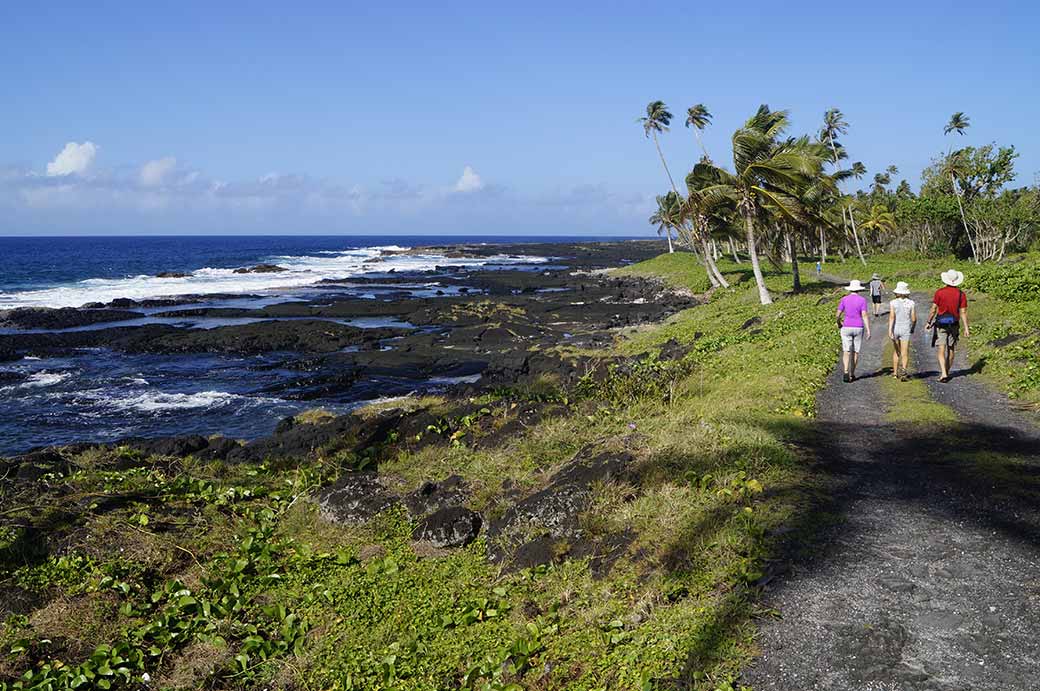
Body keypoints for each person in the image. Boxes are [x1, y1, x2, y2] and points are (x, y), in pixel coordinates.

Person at [926, 269, 969, 383]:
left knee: (941, 348)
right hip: (954, 324)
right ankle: (947, 371)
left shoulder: (939, 292)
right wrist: (966, 328)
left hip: (941, 324)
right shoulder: (961, 294)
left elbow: (933, 309)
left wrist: (929, 322)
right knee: (951, 349)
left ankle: (944, 373)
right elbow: (963, 312)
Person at [837, 279, 871, 383]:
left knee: (846, 351)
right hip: (858, 327)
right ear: (859, 290)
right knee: (856, 351)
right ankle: (852, 374)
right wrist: (868, 329)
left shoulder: (844, 299)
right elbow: (864, 315)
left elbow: (838, 314)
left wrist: (839, 322)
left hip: (846, 326)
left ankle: (846, 371)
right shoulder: (862, 300)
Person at [888, 281, 917, 381]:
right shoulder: (911, 303)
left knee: (896, 351)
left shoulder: (893, 303)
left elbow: (892, 317)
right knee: (905, 352)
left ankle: (895, 373)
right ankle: (904, 371)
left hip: (896, 328)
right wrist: (912, 328)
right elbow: (913, 319)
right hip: (906, 328)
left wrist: (890, 330)